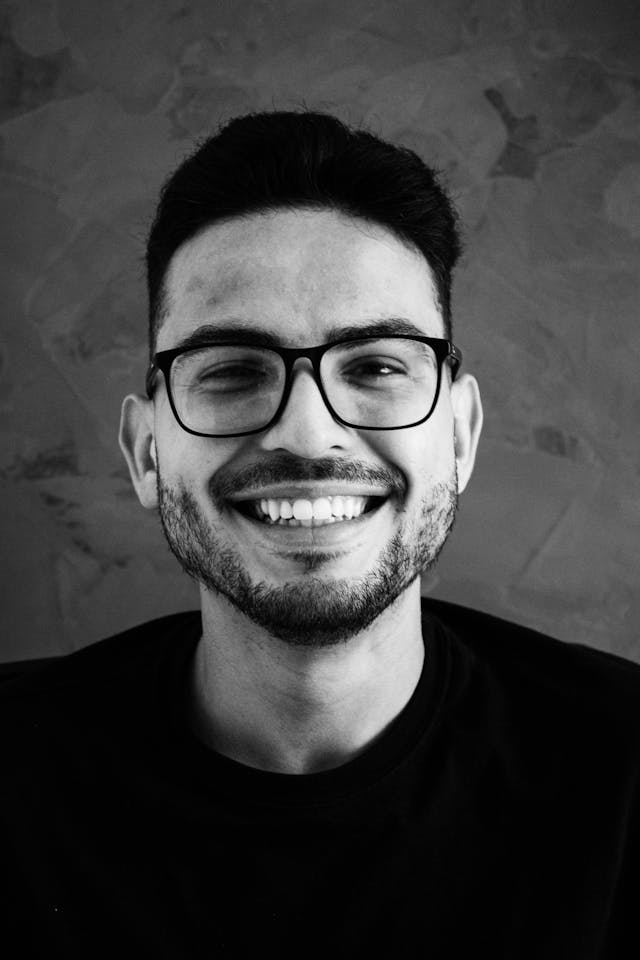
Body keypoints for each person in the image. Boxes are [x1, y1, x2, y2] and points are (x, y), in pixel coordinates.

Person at [2, 110, 639, 959]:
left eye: (375, 366)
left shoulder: (625, 774)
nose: (306, 433)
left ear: (460, 435)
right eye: (233, 370)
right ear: (147, 451)